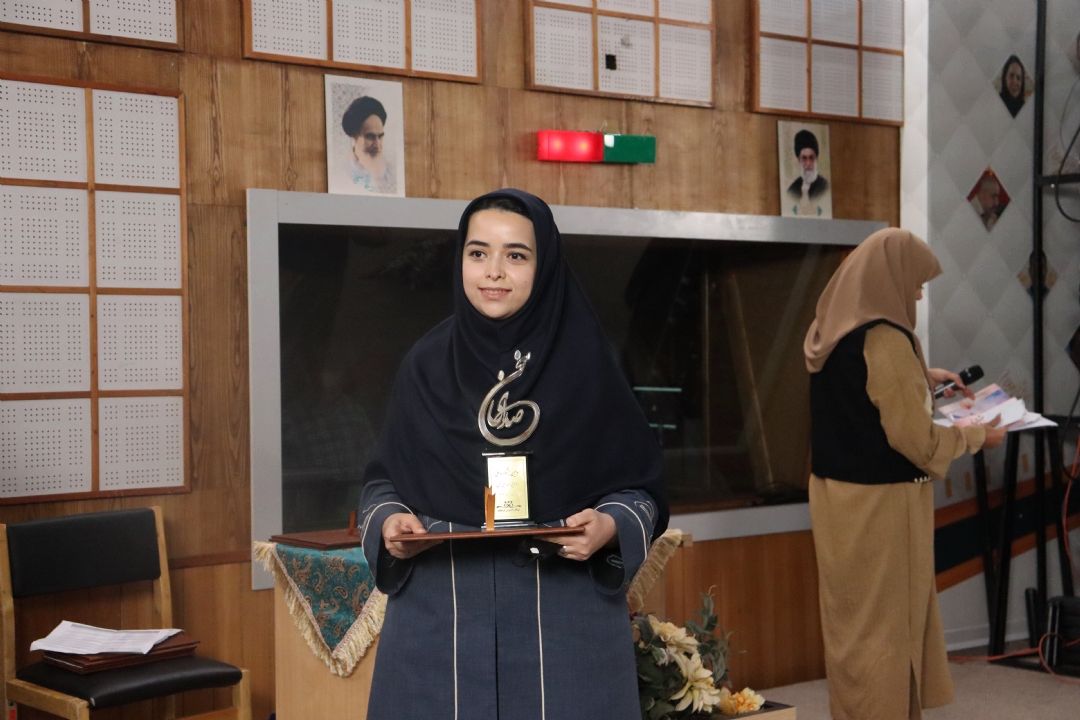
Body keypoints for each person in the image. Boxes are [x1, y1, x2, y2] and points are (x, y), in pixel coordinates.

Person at [358, 188, 668, 719]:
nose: (493, 272)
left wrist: (609, 525)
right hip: (442, 620)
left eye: (516, 255)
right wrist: (390, 522)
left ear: (544, 265)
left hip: (564, 624)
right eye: (478, 253)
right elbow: (382, 482)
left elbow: (641, 488)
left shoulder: (588, 364)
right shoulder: (426, 364)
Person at [803, 228, 1006, 720]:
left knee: (853, 623)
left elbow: (858, 392)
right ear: (888, 278)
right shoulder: (887, 340)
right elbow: (917, 441)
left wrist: (921, 376)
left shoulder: (829, 327)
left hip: (837, 500)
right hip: (882, 508)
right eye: (915, 282)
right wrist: (977, 436)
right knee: (887, 630)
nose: (917, 295)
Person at [341, 95, 396, 194]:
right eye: (370, 137)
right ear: (354, 137)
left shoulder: (391, 173)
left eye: (380, 136)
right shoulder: (343, 174)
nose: (377, 144)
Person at [786, 128, 829, 202]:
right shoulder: (792, 190)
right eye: (804, 158)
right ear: (799, 160)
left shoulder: (825, 187)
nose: (808, 163)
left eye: (811, 158)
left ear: (816, 159)